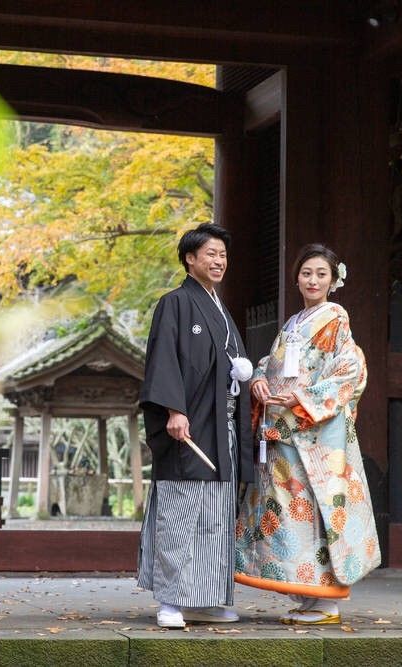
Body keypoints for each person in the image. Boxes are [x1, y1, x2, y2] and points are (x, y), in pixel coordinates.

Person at [234, 243, 380, 625]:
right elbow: (273, 363)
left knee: (313, 511)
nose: (313, 280)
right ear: (296, 278)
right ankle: (307, 595)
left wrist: (303, 398)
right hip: (283, 429)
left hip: (312, 435)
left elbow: (350, 369)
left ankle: (327, 601)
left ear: (333, 281)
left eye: (321, 274)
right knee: (288, 514)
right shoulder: (294, 322)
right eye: (306, 273)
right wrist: (260, 380)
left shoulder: (335, 318)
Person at [136, 223, 254, 629]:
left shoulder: (220, 309)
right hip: (189, 424)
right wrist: (173, 409)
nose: (219, 261)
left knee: (216, 515)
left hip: (222, 427)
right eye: (211, 254)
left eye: (223, 255)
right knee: (180, 512)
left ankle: (205, 598)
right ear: (190, 259)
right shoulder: (175, 303)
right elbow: (164, 359)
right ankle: (171, 600)